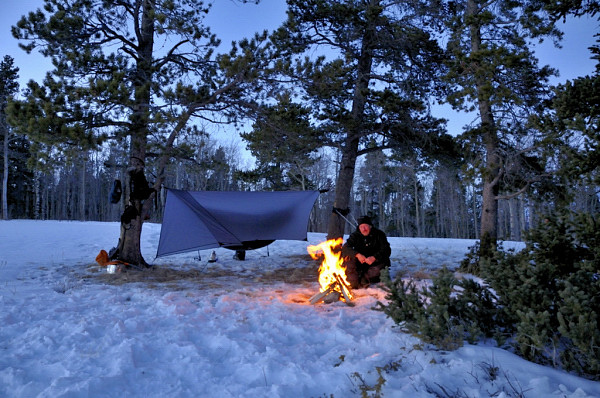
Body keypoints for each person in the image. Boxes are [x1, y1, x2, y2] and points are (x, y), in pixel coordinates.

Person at [341, 215, 391, 289]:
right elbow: (345, 248)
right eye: (361, 227)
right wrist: (357, 255)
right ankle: (355, 281)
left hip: (375, 263)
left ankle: (365, 279)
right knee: (348, 263)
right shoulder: (355, 235)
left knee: (377, 271)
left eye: (365, 226)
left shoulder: (379, 234)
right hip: (360, 262)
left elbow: (387, 250)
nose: (364, 229)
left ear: (370, 226)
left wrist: (374, 257)